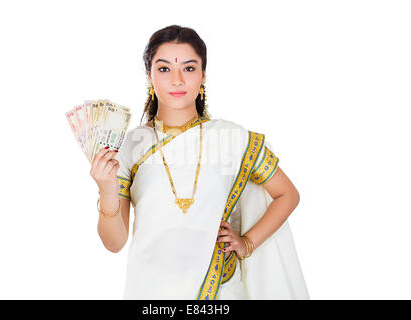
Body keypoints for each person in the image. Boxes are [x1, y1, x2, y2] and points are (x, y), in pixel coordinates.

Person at [90, 25, 309, 300]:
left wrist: (247, 243)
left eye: (189, 68)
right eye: (164, 69)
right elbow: (114, 243)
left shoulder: (232, 138)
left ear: (204, 74)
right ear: (149, 75)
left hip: (220, 290)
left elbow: (287, 194)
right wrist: (105, 190)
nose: (177, 80)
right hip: (151, 292)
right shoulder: (131, 145)